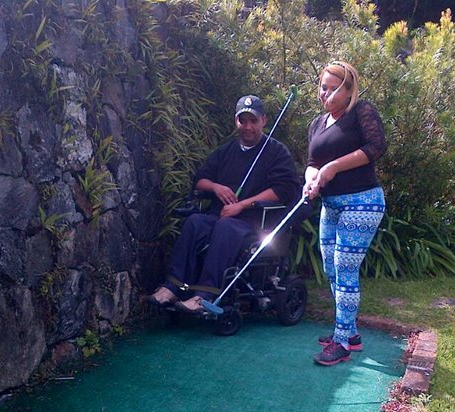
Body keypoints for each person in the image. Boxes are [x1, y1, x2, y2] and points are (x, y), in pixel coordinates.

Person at [147, 95, 300, 313]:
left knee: (225, 227)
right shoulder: (226, 151)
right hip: (220, 215)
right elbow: (200, 181)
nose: (247, 127)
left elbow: (283, 190)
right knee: (194, 223)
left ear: (263, 121)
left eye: (253, 121)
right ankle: (173, 287)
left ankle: (204, 295)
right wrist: (216, 187)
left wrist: (242, 205)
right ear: (235, 121)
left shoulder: (276, 152)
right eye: (242, 120)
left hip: (253, 222)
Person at [303, 61, 387, 366]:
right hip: (331, 204)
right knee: (331, 268)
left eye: (332, 87)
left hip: (362, 201)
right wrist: (310, 180)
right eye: (322, 86)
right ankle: (350, 333)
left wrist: (334, 167)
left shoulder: (361, 112)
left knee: (346, 266)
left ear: (348, 88)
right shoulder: (317, 123)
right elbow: (312, 162)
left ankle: (341, 342)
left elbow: (377, 147)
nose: (325, 93)